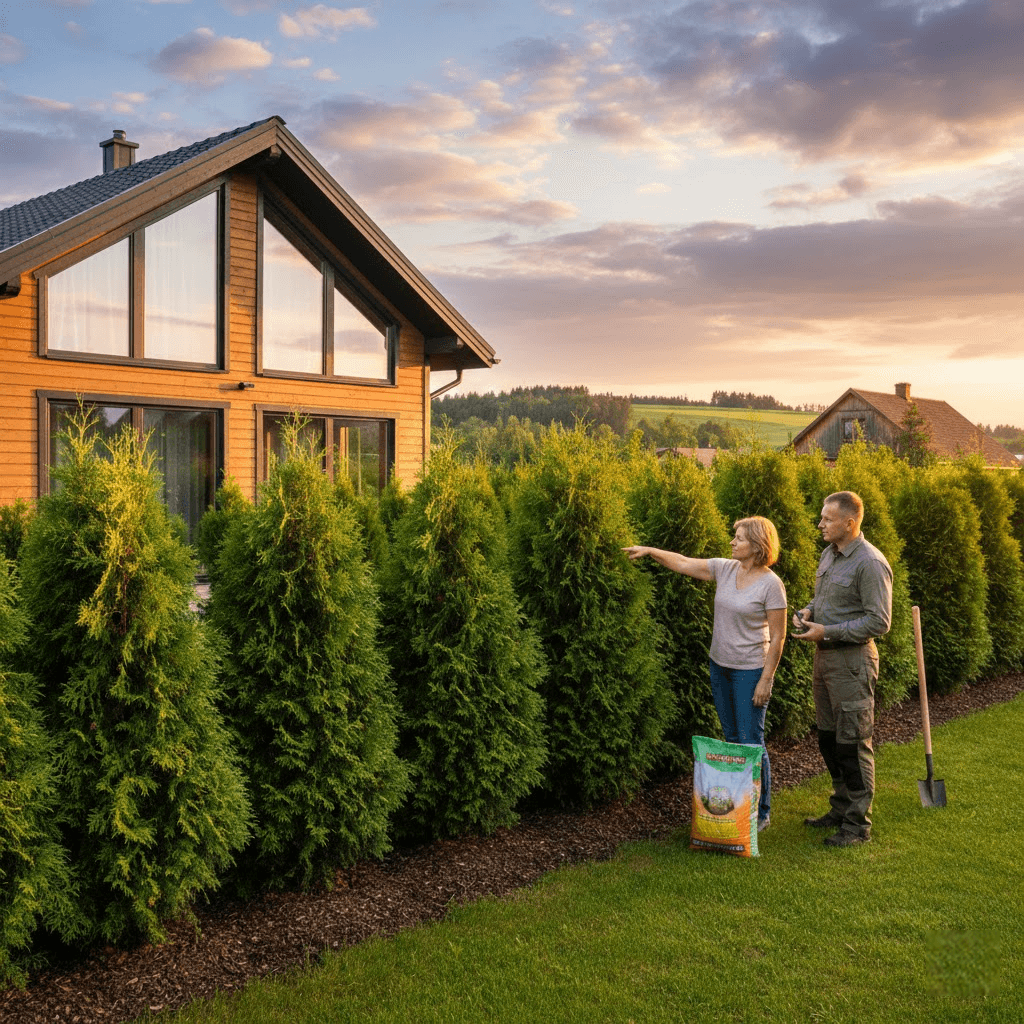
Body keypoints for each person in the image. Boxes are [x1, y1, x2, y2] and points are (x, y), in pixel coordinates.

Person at [624, 516, 787, 832]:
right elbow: (684, 563)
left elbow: (778, 637)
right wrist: (649, 550)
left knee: (751, 741)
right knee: (732, 739)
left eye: (738, 538)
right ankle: (740, 807)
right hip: (720, 667)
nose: (732, 542)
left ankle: (761, 811)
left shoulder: (771, 584)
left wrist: (766, 679)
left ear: (756, 545)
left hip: (750, 671)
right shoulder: (725, 569)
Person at [791, 491, 892, 848]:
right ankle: (841, 806)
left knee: (853, 743)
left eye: (827, 519)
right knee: (829, 739)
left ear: (849, 523)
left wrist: (828, 631)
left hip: (852, 662)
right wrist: (808, 612)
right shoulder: (829, 554)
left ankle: (857, 825)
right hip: (825, 659)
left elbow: (879, 622)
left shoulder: (870, 563)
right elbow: (826, 599)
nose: (820, 524)